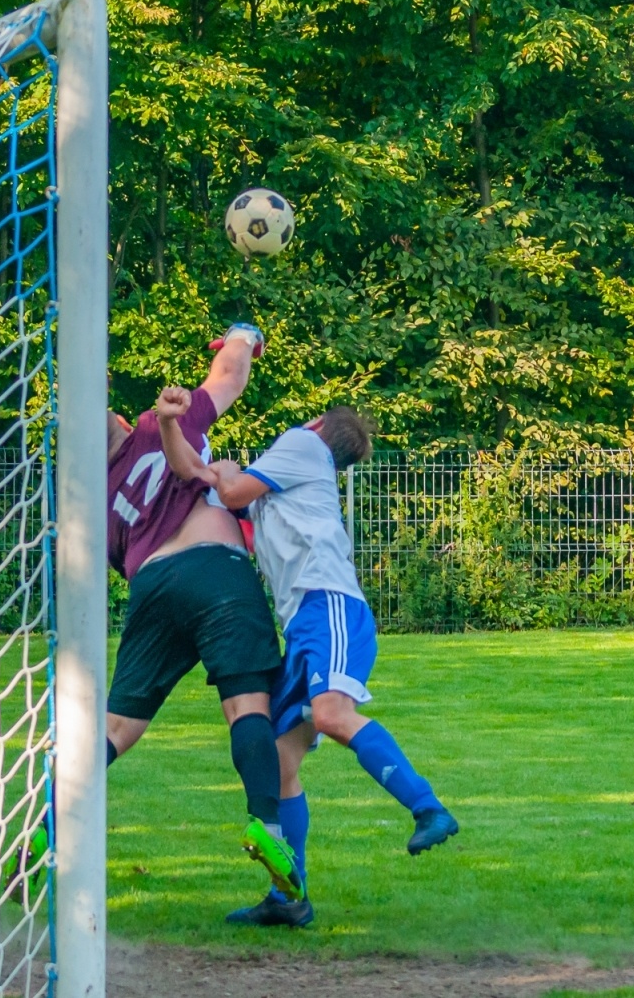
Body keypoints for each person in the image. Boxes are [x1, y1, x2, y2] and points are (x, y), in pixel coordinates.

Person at [157, 393, 458, 927]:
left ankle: (428, 808)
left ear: (316, 425)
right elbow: (203, 478)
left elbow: (231, 489)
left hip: (329, 606)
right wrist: (172, 428)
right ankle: (289, 897)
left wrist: (229, 471)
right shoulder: (286, 482)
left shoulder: (301, 445)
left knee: (332, 714)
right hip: (302, 626)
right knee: (280, 763)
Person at [102, 323, 303, 904]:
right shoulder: (152, 426)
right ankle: (265, 827)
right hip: (215, 568)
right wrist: (242, 336)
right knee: (247, 706)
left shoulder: (95, 498)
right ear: (122, 422)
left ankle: (47, 825)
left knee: (116, 730)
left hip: (153, 587)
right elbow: (229, 378)